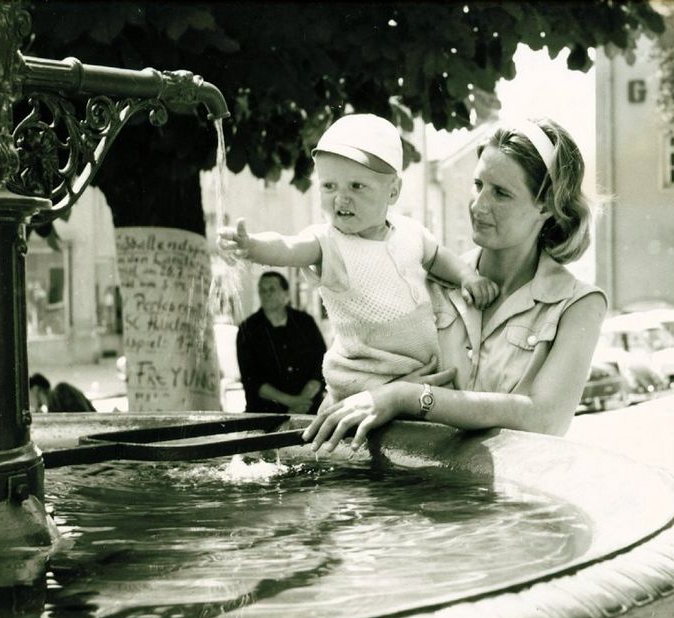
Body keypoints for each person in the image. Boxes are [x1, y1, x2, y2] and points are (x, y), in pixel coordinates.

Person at [302, 117, 606, 452]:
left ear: (546, 205)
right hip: (403, 496)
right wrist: (381, 392)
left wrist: (410, 397)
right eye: (479, 185)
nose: (479, 205)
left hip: (508, 502)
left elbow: (544, 418)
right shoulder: (420, 276)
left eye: (501, 193)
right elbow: (349, 390)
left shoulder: (578, 305)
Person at [218, 113, 499, 402]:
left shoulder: (410, 232)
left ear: (393, 191)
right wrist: (251, 246)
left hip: (419, 371)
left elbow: (438, 256)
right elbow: (287, 247)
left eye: (356, 186)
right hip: (365, 381)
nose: (341, 198)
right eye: (329, 186)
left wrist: (467, 277)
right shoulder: (329, 243)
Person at [236, 271, 327, 414]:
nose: (266, 294)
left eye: (272, 289)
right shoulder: (247, 329)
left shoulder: (305, 323)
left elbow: (322, 364)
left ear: (286, 294)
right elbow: (251, 380)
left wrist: (303, 401)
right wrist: (292, 402)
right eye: (262, 290)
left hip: (309, 409)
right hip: (265, 414)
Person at [29, 372, 96, 412]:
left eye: (28, 394)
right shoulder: (53, 405)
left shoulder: (62, 390)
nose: (28, 402)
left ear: (35, 389)